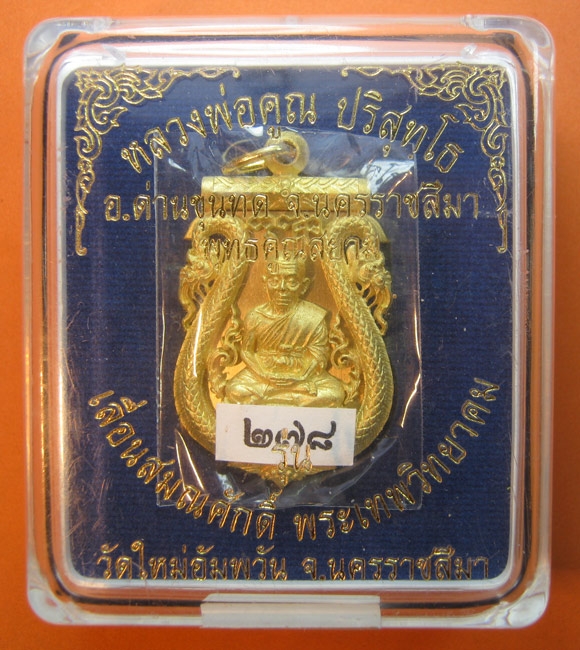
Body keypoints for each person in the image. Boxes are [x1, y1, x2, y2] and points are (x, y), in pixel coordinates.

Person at [225, 258, 345, 407]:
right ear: (265, 282)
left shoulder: (313, 316)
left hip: (303, 376)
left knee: (335, 393)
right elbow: (247, 351)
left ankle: (270, 397)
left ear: (303, 286)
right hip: (263, 375)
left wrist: (302, 377)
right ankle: (293, 397)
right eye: (274, 281)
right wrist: (263, 374)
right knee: (234, 389)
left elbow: (319, 355)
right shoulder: (255, 316)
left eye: (291, 282)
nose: (282, 288)